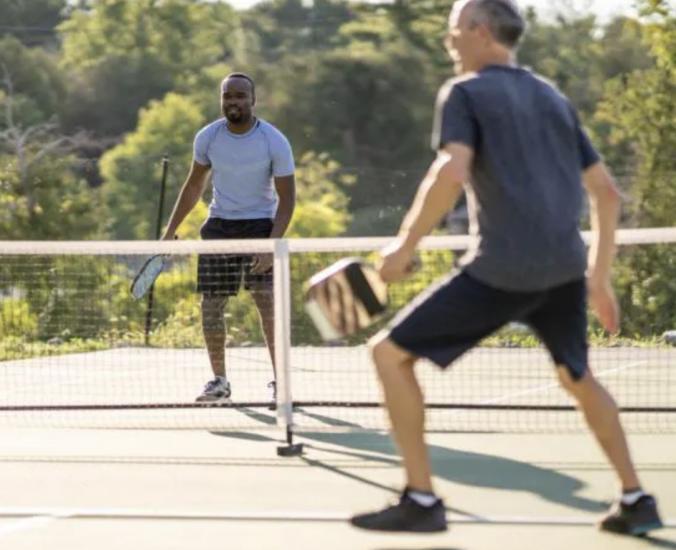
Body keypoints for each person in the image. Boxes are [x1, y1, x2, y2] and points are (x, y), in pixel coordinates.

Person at [350, 0, 663, 535]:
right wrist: (597, 277)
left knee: (389, 355)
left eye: (453, 33)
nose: (449, 44)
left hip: (503, 268)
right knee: (579, 376)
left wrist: (404, 247)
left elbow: (452, 168)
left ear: (480, 30)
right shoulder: (552, 96)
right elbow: (607, 194)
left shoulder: (465, 93)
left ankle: (421, 500)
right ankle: (636, 498)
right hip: (564, 268)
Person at [162, 72, 295, 405]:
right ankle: (219, 382)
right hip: (219, 227)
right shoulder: (208, 137)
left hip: (260, 227)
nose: (233, 102)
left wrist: (270, 245)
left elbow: (288, 199)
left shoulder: (273, 141)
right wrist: (169, 231)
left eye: (239, 96)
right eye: (227, 96)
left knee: (267, 305)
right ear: (221, 99)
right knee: (211, 306)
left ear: (253, 100)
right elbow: (194, 186)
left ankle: (282, 383)